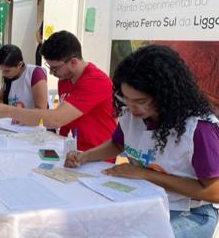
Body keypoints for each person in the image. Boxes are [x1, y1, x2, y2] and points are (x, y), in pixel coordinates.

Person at [66, 45, 219, 236]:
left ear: (165, 95)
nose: (132, 107)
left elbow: (215, 192)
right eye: (125, 98)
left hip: (191, 213)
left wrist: (146, 174)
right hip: (146, 203)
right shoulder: (132, 115)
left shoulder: (199, 128)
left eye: (140, 101)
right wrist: (85, 156)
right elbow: (118, 143)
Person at [0, 30, 115, 150]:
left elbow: (56, 119)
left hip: (96, 154)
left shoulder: (96, 81)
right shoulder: (64, 79)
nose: (52, 73)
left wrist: (8, 111)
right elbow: (63, 122)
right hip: (69, 148)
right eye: (50, 67)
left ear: (73, 62)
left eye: (55, 68)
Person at [0, 44, 48, 109]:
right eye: (1, 70)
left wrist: (12, 112)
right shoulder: (10, 78)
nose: (4, 74)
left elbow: (41, 109)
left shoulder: (35, 73)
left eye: (7, 71)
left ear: (20, 64)